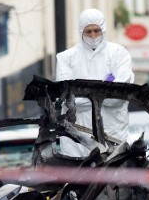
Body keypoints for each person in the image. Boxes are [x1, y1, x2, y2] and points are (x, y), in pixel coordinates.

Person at [56, 8, 134, 157]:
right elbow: (67, 100)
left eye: (96, 30)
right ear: (81, 31)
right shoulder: (66, 58)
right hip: (76, 137)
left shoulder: (119, 54)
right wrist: (105, 92)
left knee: (114, 176)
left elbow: (118, 99)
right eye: (88, 31)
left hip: (113, 134)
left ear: (103, 29)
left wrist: (82, 98)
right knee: (78, 178)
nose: (93, 35)